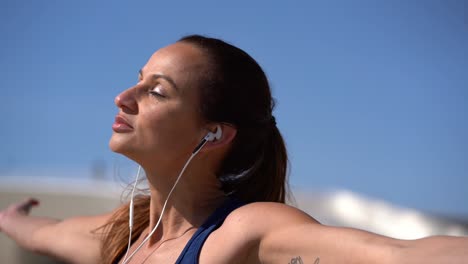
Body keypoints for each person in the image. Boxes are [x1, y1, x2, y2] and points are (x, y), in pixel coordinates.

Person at [0, 35, 467, 264]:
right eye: (138, 78)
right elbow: (45, 232)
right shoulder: (126, 234)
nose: (124, 97)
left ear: (214, 134)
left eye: (157, 91)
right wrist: (10, 218)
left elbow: (395, 255)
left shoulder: (239, 232)